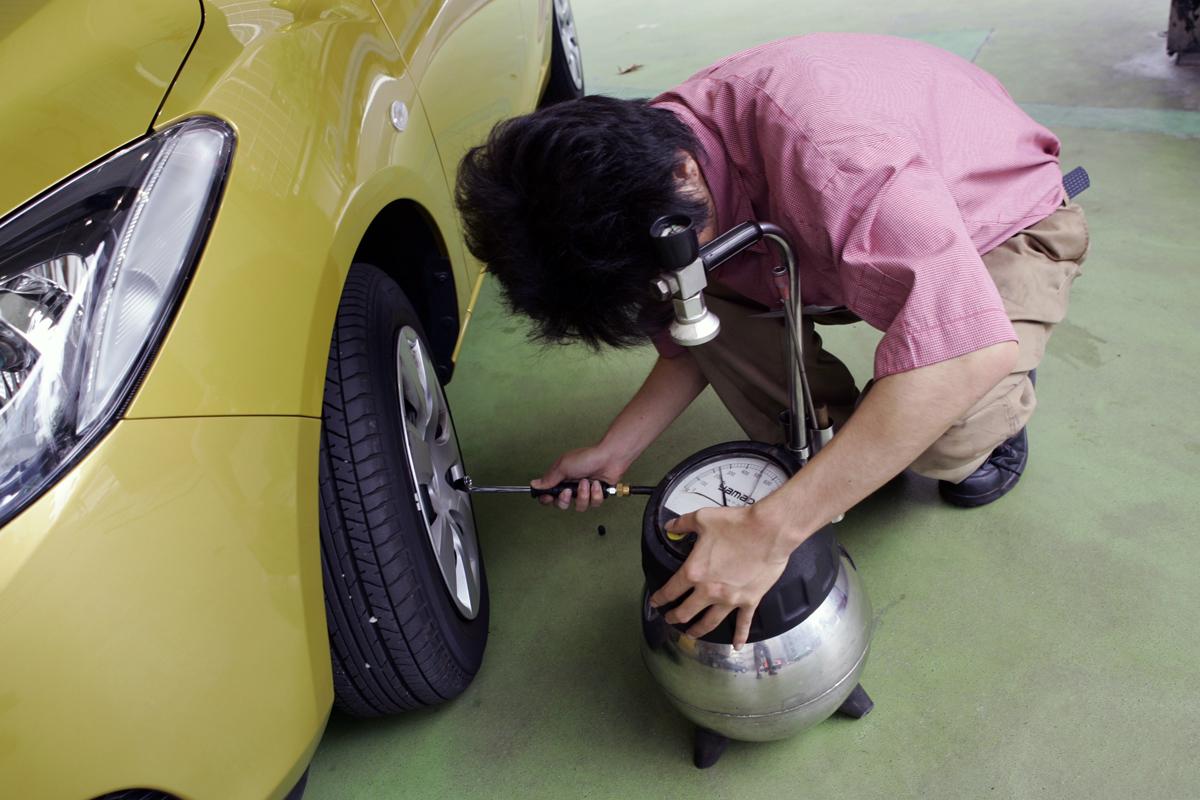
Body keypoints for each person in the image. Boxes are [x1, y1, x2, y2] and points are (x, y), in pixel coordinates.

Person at [455, 33, 1088, 648]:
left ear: (684, 174)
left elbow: (965, 348)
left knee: (944, 436)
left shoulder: (837, 156)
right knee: (708, 300)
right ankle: (855, 439)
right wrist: (616, 448)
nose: (659, 296)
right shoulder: (637, 178)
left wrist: (771, 529)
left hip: (996, 223)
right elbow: (691, 334)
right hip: (823, 246)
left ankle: (993, 409)